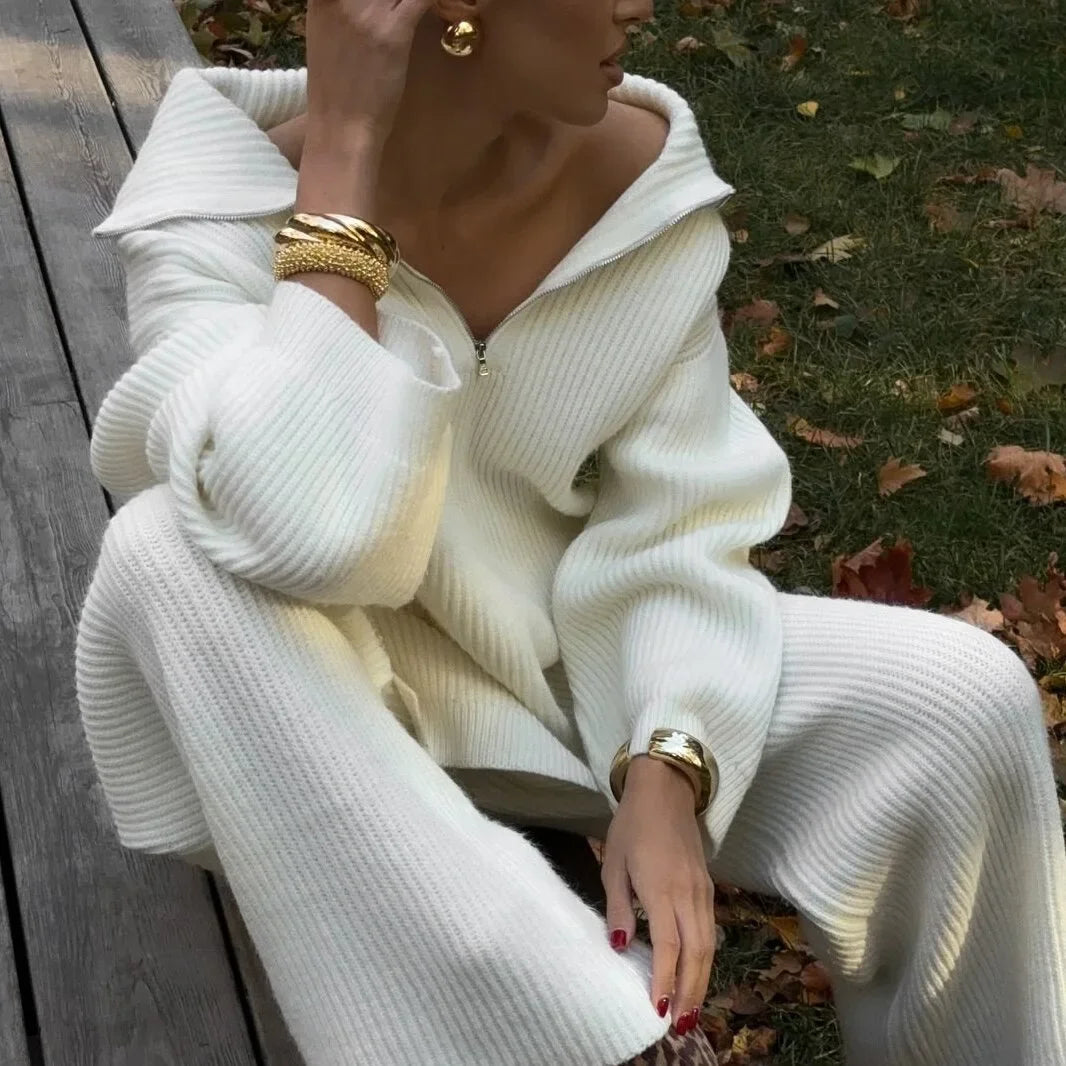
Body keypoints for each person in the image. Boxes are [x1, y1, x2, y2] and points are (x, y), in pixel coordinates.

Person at [73, 0, 1066, 1064]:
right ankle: (603, 1041)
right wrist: (344, 174)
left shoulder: (635, 184)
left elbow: (680, 517)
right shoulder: (212, 216)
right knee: (163, 552)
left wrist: (668, 757)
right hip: (330, 715)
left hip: (570, 666)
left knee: (959, 702)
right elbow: (313, 534)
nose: (643, 6)